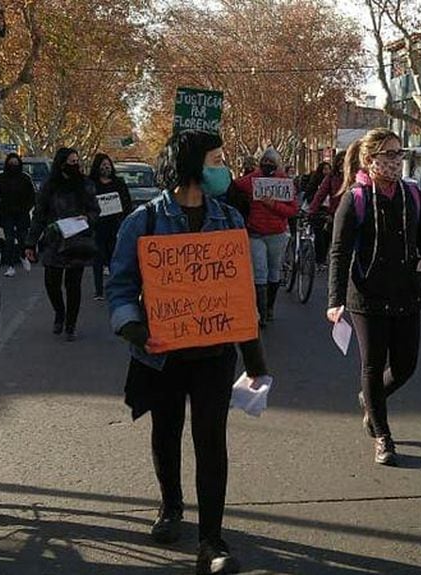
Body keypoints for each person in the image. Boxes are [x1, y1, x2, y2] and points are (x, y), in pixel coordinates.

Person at [106, 129, 270, 575]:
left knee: (211, 442)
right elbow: (119, 286)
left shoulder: (230, 221)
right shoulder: (143, 222)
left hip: (215, 355)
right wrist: (136, 330)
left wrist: (255, 362)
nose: (224, 168)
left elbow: (241, 299)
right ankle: (171, 505)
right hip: (161, 355)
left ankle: (212, 540)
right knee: (167, 431)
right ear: (194, 166)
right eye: (217, 159)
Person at [326, 128, 421, 466]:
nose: (396, 161)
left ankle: (371, 397)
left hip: (407, 293)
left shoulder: (412, 196)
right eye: (389, 155)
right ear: (370, 161)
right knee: (372, 364)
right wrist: (334, 299)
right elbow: (339, 252)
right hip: (367, 296)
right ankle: (383, 436)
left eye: (399, 154)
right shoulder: (357, 197)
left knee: (406, 365)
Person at [25, 148, 100, 340]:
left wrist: (88, 218)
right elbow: (39, 216)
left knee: (73, 284)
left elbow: (95, 210)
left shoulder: (86, 185)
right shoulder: (49, 186)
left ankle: (70, 325)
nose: (75, 165)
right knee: (52, 282)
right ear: (61, 163)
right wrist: (30, 243)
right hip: (54, 240)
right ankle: (59, 311)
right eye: (71, 161)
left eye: (77, 161)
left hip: (78, 240)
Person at [229, 147, 298, 326]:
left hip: (276, 234)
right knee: (260, 271)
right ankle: (260, 312)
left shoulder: (285, 183)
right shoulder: (251, 180)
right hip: (255, 233)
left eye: (271, 163)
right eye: (264, 163)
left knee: (274, 270)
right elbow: (233, 186)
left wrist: (273, 205)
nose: (267, 166)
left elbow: (292, 210)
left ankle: (269, 308)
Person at [88, 153, 133, 301]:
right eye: (102, 165)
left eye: (108, 164)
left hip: (116, 226)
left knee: (115, 258)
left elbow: (127, 203)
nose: (106, 167)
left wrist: (126, 220)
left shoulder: (118, 183)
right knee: (97, 259)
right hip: (97, 226)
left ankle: (115, 288)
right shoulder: (91, 184)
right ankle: (98, 290)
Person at [0, 153, 36, 277]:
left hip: (22, 213)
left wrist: (26, 208)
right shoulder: (0, 178)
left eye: (16, 163)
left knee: (23, 238)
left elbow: (31, 195)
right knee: (9, 240)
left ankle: (23, 256)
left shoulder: (25, 178)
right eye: (11, 163)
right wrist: (0, 209)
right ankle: (11, 266)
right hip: (6, 214)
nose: (13, 166)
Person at [308, 154, 347, 265]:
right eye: (340, 162)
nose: (342, 165)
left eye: (344, 162)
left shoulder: (356, 175)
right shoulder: (331, 177)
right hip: (335, 214)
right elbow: (320, 195)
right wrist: (312, 211)